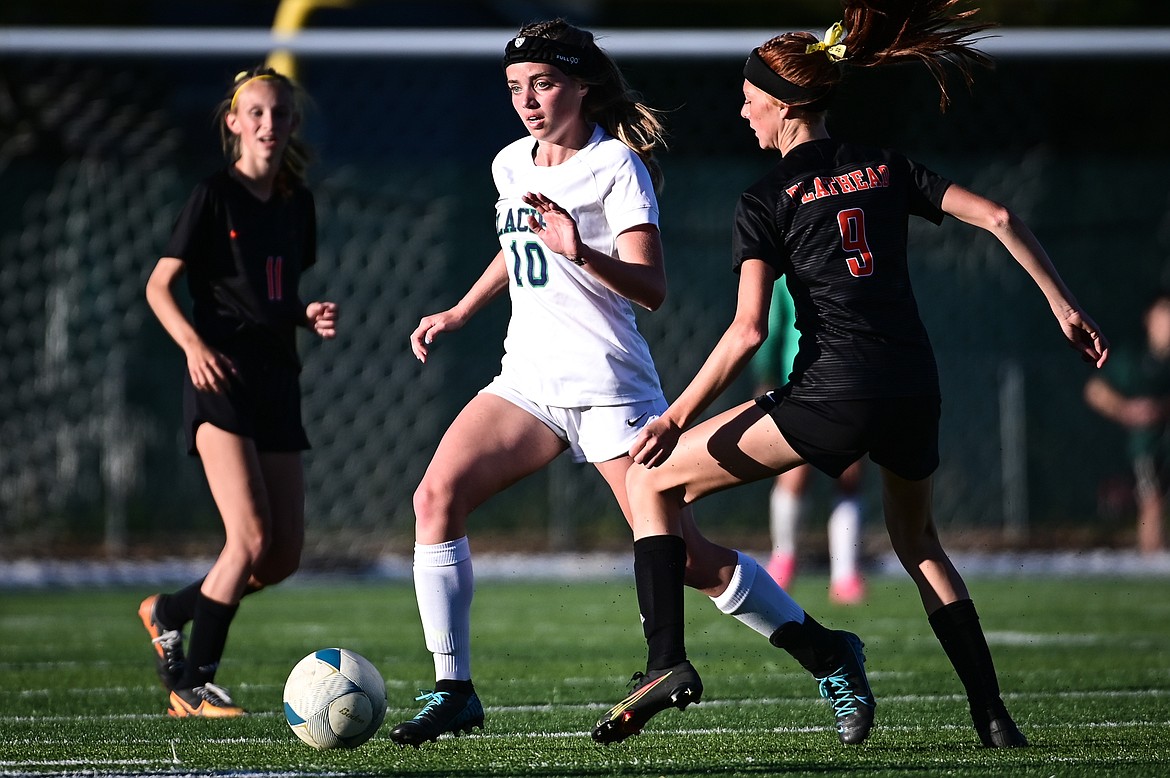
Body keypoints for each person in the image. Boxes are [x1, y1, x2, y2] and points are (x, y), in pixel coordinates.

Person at [610, 1, 1110, 749]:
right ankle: (993, 716)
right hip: (914, 386)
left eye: (749, 99)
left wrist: (675, 416)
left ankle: (665, 662)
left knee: (652, 482)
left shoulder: (764, 199)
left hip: (832, 393)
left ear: (782, 106)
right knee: (921, 546)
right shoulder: (885, 165)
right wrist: (1064, 306)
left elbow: (748, 330)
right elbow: (1001, 216)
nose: (742, 111)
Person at [390, 18, 874, 749]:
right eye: (517, 87)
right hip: (526, 383)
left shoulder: (617, 166)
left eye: (544, 84)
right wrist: (459, 309)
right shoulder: (508, 163)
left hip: (609, 389)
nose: (528, 100)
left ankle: (827, 650)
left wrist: (580, 250)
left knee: (686, 558)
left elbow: (651, 287)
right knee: (435, 497)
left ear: (583, 87)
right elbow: (514, 246)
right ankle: (453, 688)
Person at [139, 66, 338, 718]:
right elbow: (159, 287)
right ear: (233, 122)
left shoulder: (295, 202)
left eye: (279, 113)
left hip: (278, 378)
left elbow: (273, 296)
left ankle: (169, 611)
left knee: (281, 556)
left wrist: (306, 314)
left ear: (293, 123)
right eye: (255, 112)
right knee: (248, 539)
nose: (268, 123)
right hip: (221, 378)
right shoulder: (213, 195)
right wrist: (194, 346)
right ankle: (191, 687)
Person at [753, 286, 867, 603]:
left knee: (844, 475)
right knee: (799, 474)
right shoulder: (788, 268)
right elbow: (772, 326)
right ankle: (788, 561)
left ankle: (841, 573)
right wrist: (767, 376)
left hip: (837, 380)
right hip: (809, 381)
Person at [1084, 289, 1170, 554]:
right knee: (1152, 500)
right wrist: (1127, 410)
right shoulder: (1135, 360)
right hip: (1151, 446)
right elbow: (1095, 391)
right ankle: (1152, 564)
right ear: (1150, 320)